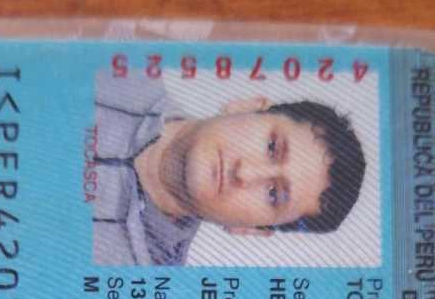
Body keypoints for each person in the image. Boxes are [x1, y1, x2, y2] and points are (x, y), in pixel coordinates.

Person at [91, 71, 367, 266]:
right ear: (246, 106)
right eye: (272, 147)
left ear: (250, 230)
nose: (245, 173)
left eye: (273, 194)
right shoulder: (113, 59)